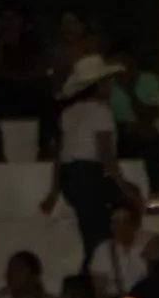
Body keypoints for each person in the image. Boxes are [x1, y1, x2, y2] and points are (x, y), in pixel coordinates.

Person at [41, 54, 125, 272]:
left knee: (93, 233)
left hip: (72, 178)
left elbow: (61, 154)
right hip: (88, 176)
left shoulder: (68, 113)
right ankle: (90, 283)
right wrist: (123, 185)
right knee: (98, 240)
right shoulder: (101, 112)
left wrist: (54, 191)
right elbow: (105, 154)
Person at [0, 7, 50, 165]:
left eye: (12, 19)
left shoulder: (32, 41)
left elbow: (40, 70)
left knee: (46, 98)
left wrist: (20, 77)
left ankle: (45, 148)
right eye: (4, 20)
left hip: (30, 93)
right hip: (6, 95)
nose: (8, 24)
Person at [107, 48, 159, 205]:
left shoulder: (150, 81)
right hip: (114, 134)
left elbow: (153, 113)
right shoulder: (106, 84)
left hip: (140, 133)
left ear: (132, 63)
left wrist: (130, 91)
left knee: (150, 135)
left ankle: (156, 194)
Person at [89, 201, 159, 298]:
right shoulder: (103, 250)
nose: (120, 227)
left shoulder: (149, 241)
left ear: (134, 224)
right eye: (116, 222)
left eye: (125, 221)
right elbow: (99, 291)